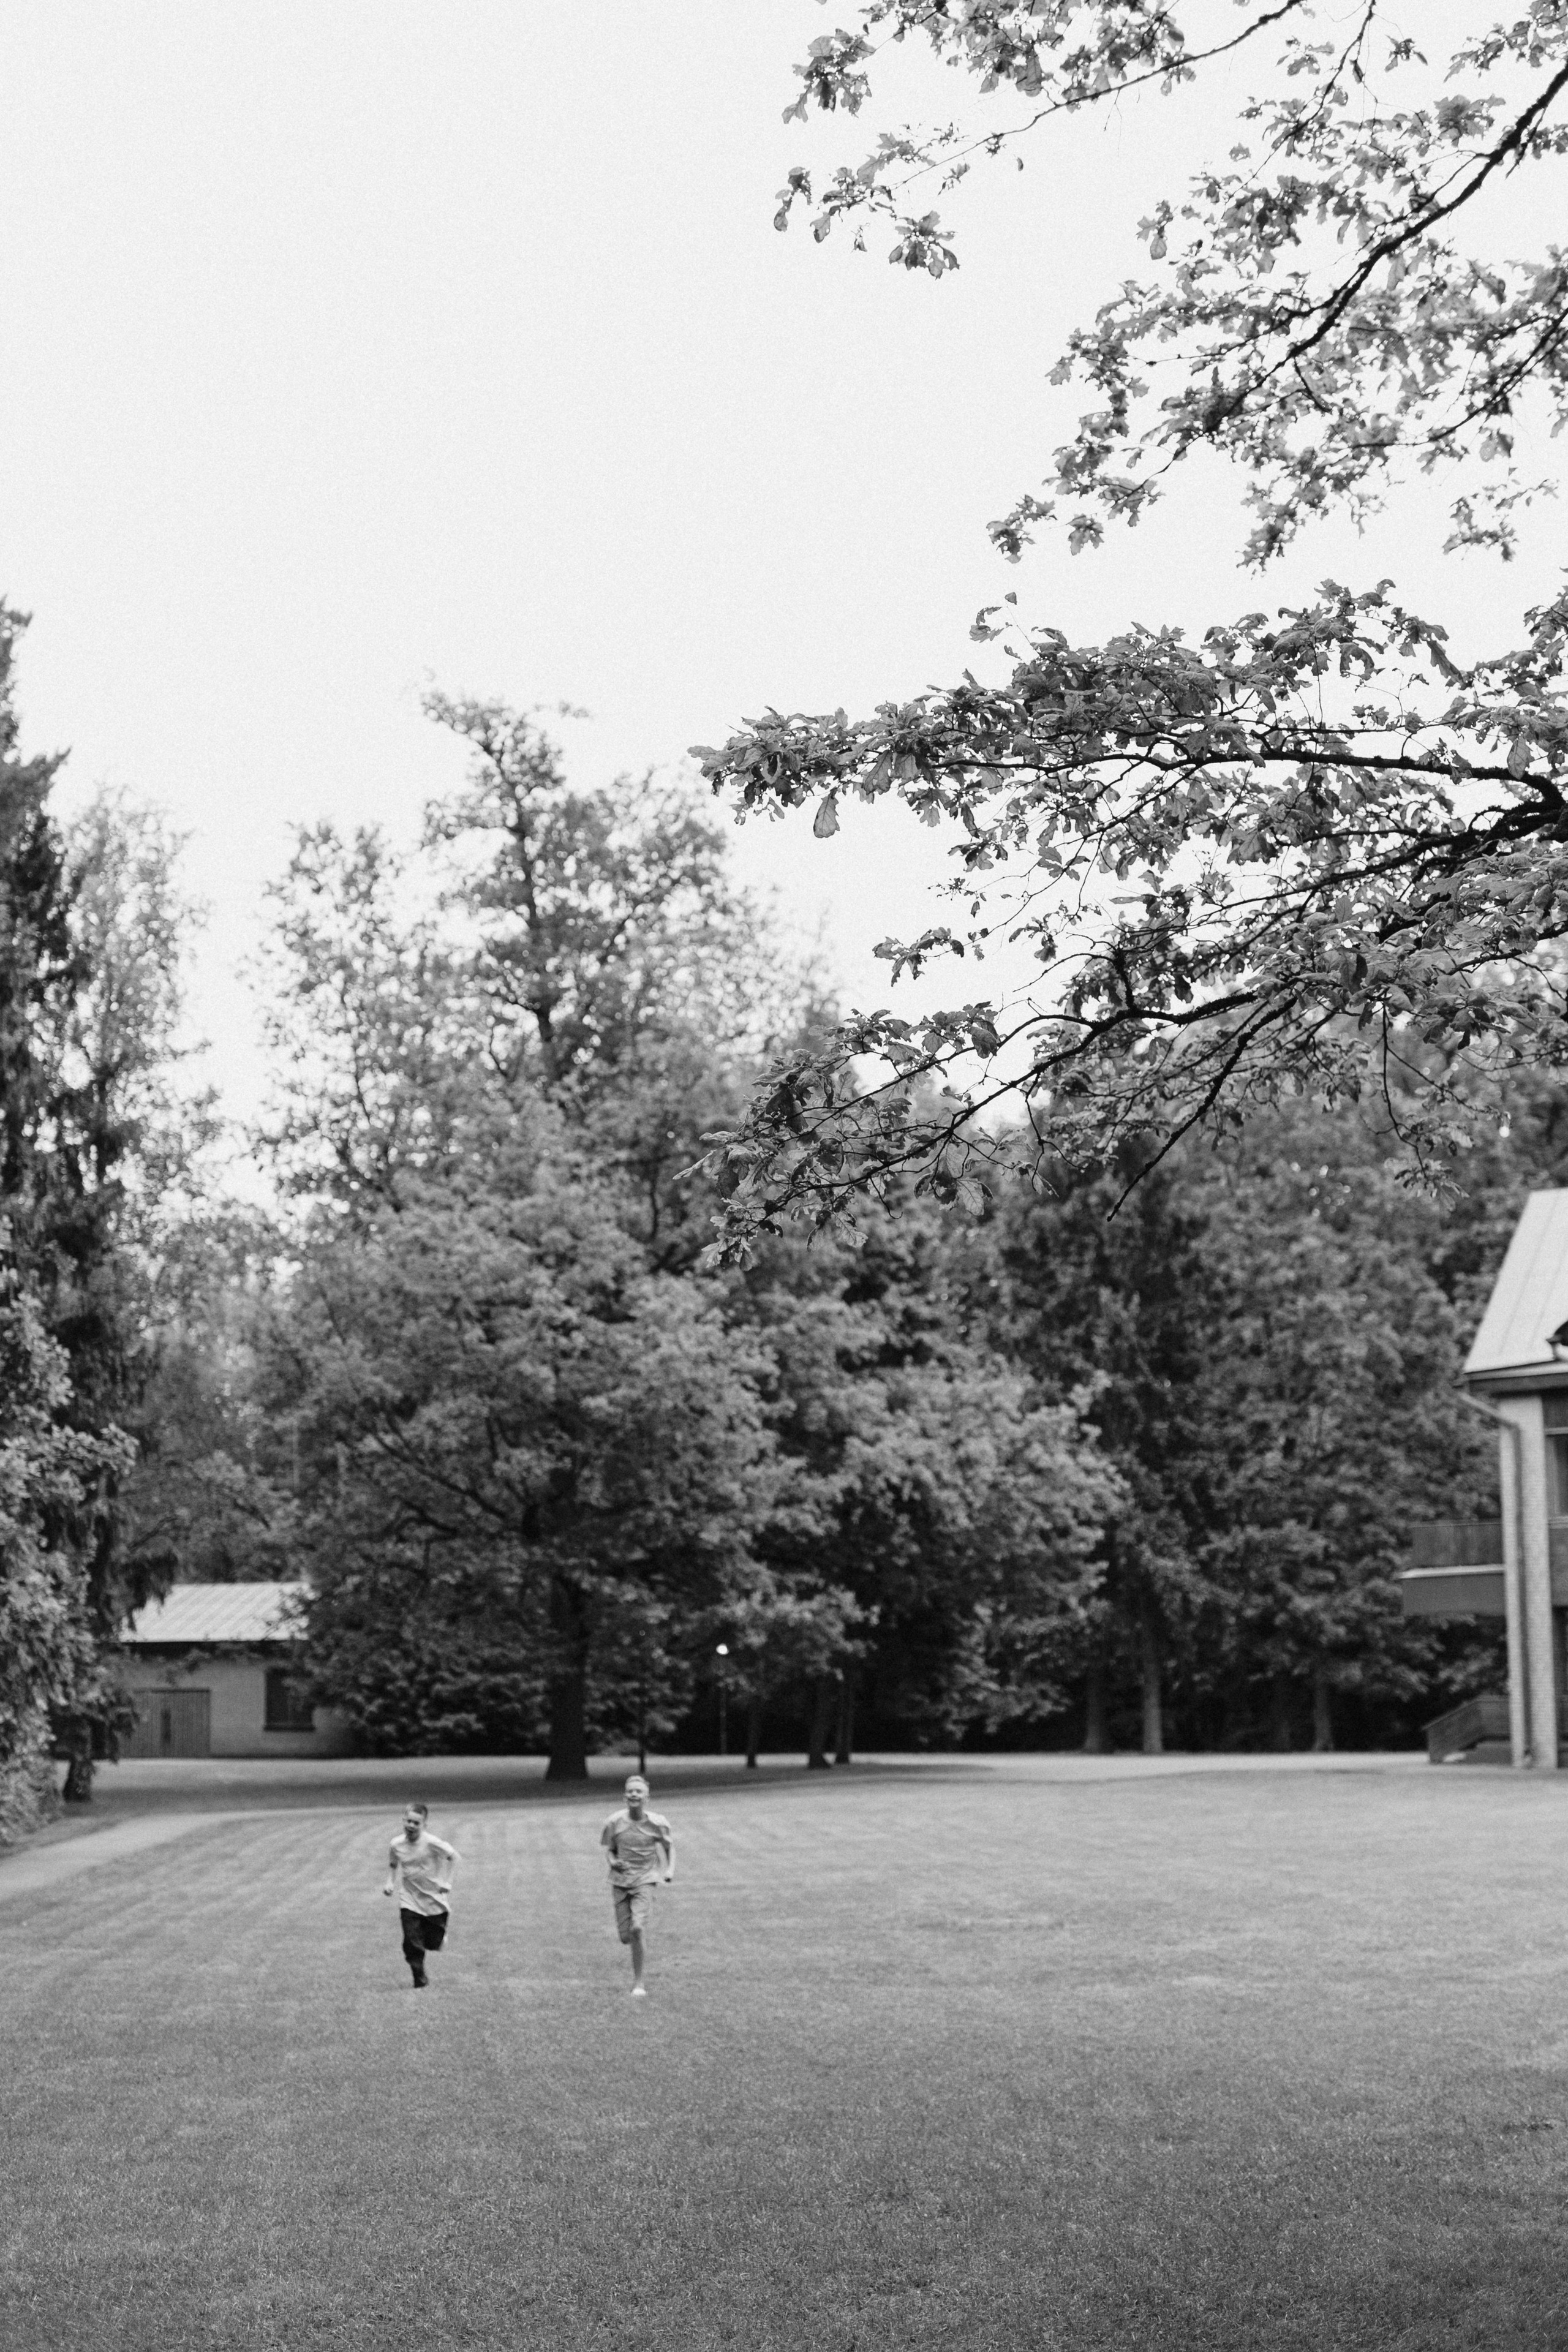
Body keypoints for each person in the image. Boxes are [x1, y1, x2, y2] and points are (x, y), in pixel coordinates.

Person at [600, 1773, 674, 1997]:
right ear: (625, 1796)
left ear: (647, 1798)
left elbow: (670, 1847)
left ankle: (639, 1983)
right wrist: (614, 1862)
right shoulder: (614, 1822)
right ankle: (634, 1942)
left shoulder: (657, 1823)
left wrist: (669, 1869)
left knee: (638, 1928)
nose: (634, 1794)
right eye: (630, 1791)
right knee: (626, 1937)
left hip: (646, 1879)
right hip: (621, 1882)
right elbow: (609, 1850)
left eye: (639, 1791)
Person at [383, 1800, 459, 1989]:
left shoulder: (432, 1843)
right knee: (411, 1939)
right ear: (403, 1821)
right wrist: (390, 1882)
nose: (411, 1826)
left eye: (416, 1823)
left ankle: (439, 1939)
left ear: (424, 1825)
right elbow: (394, 1864)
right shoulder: (396, 1844)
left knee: (433, 1943)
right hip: (409, 1899)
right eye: (409, 1821)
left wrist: (447, 1882)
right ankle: (419, 1977)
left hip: (433, 1899)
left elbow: (453, 1857)